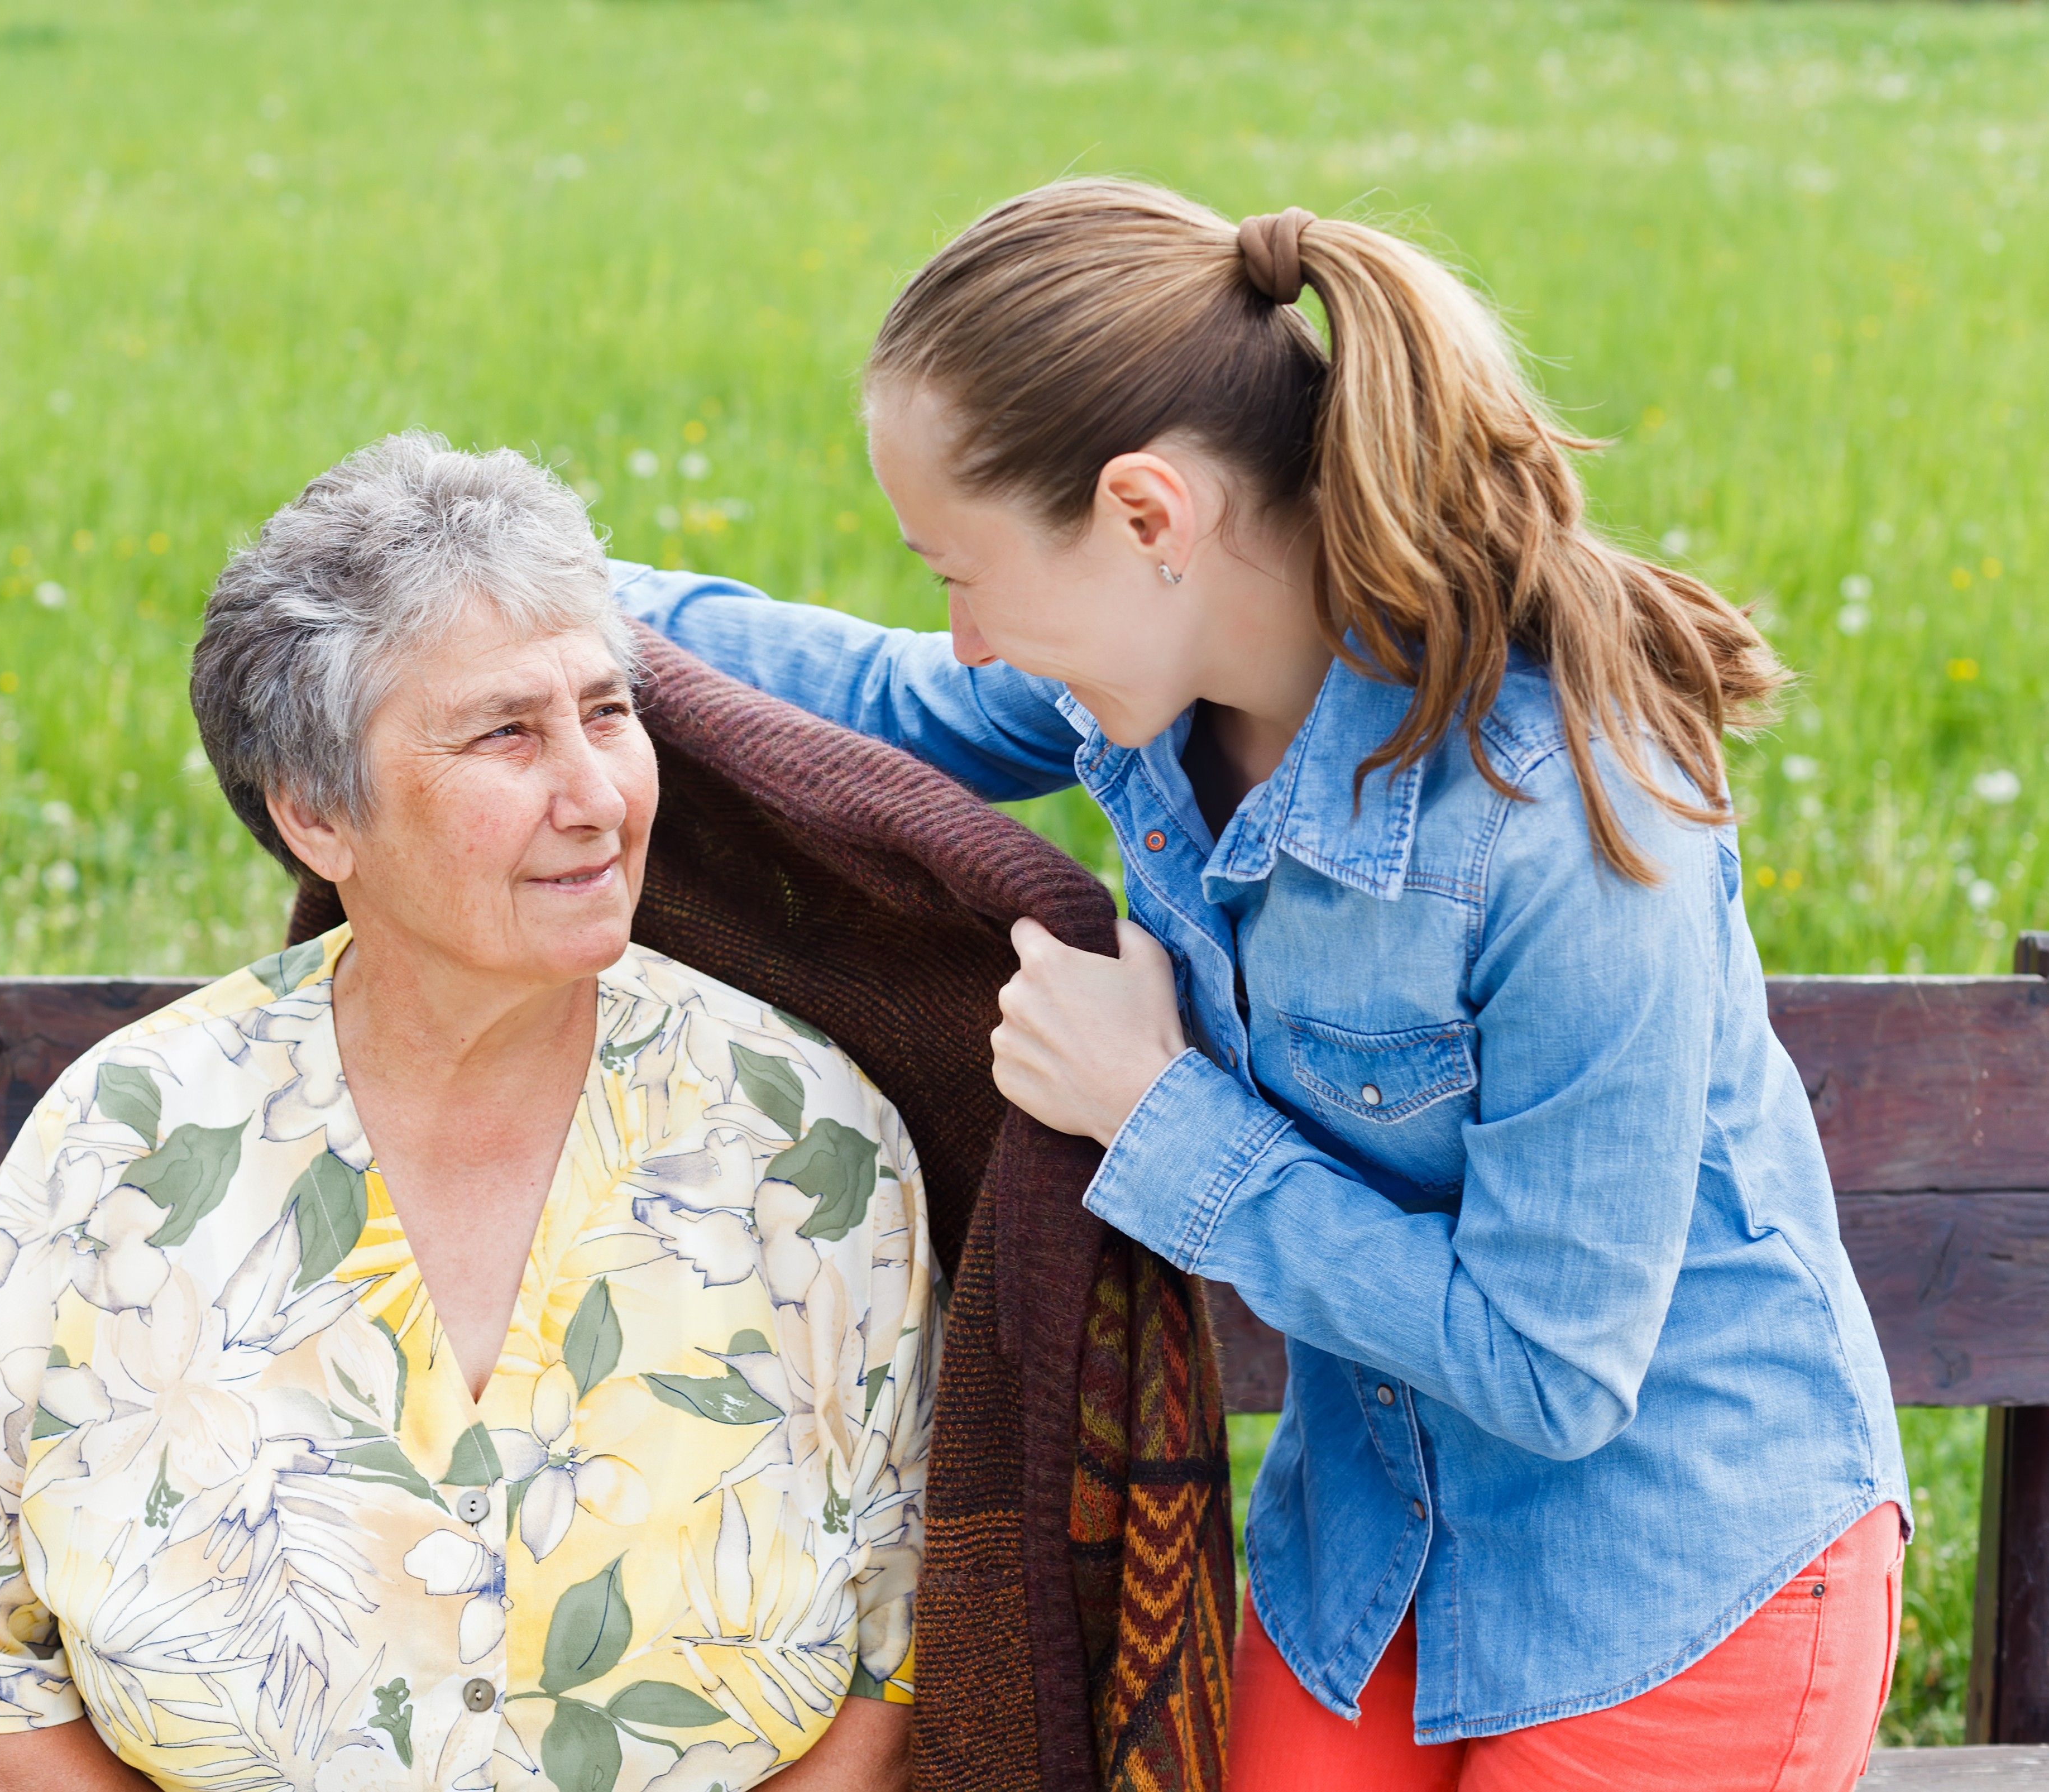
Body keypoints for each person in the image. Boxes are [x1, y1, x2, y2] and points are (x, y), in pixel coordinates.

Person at [615, 179, 1907, 1790]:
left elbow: (1555, 1370)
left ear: (1149, 518)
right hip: (1369, 1549)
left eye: (962, 574)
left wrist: (1160, 1121)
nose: (958, 638)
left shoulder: (1568, 824)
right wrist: (547, 596)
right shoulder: (1151, 690)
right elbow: (881, 697)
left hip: (1668, 1575)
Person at [0, 434, 935, 1792]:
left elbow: (905, 1647)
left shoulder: (803, 1135)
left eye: (606, 714)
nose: (595, 797)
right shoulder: (135, 1137)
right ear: (316, 819)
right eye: (507, 734)